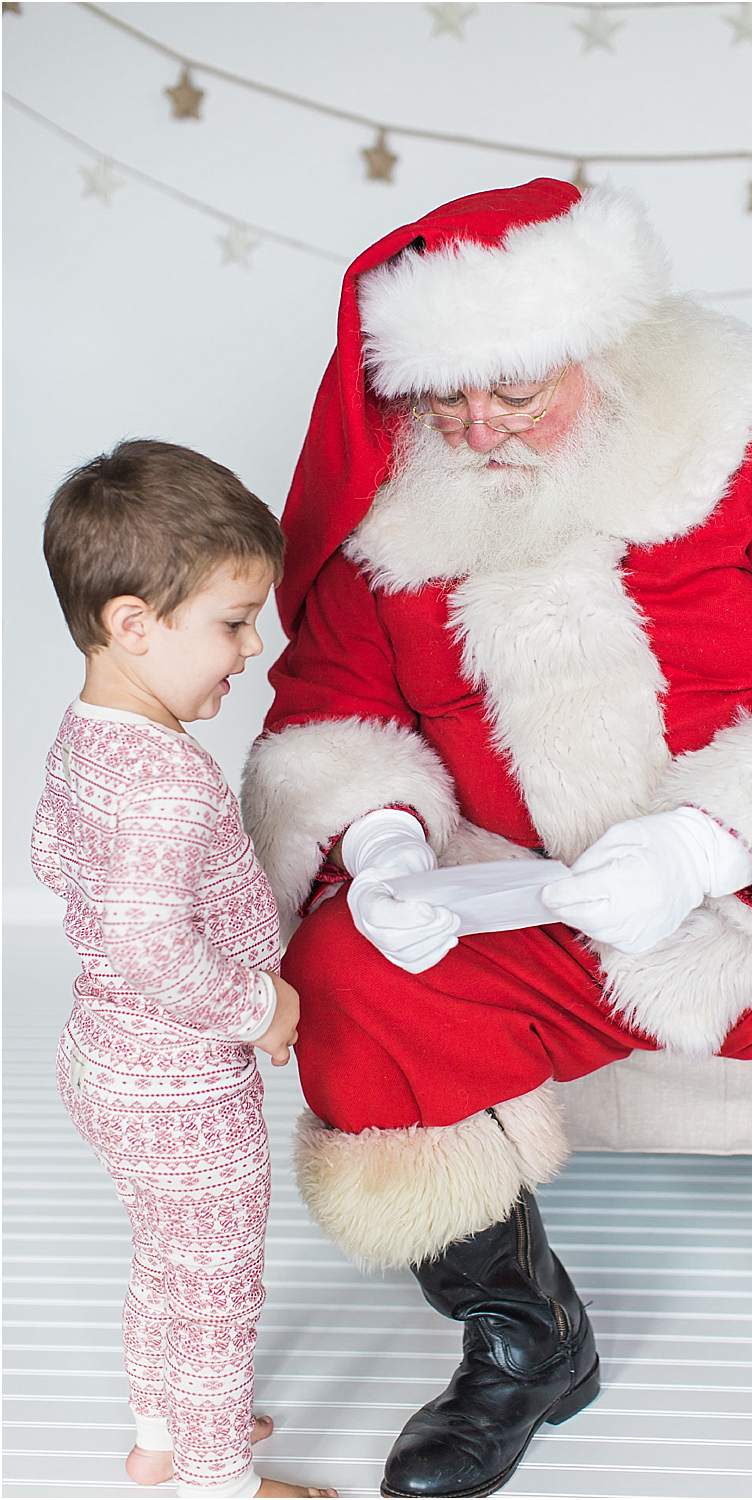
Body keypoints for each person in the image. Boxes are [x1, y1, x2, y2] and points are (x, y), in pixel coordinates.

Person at [240, 181, 752, 1498]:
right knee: (349, 984)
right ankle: (525, 1341)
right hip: (526, 901)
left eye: (519, 389)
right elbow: (329, 704)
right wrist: (383, 848)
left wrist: (710, 846)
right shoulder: (392, 522)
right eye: (446, 398)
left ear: (596, 342)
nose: (481, 430)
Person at [30, 441, 337, 1500]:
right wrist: (260, 1004)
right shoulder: (163, 780)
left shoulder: (87, 738)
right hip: (178, 1087)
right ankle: (217, 1476)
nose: (253, 647)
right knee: (214, 1283)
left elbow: (49, 856)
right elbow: (148, 944)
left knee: (165, 1253)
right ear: (133, 624)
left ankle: (159, 1431)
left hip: (102, 1060)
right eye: (232, 622)